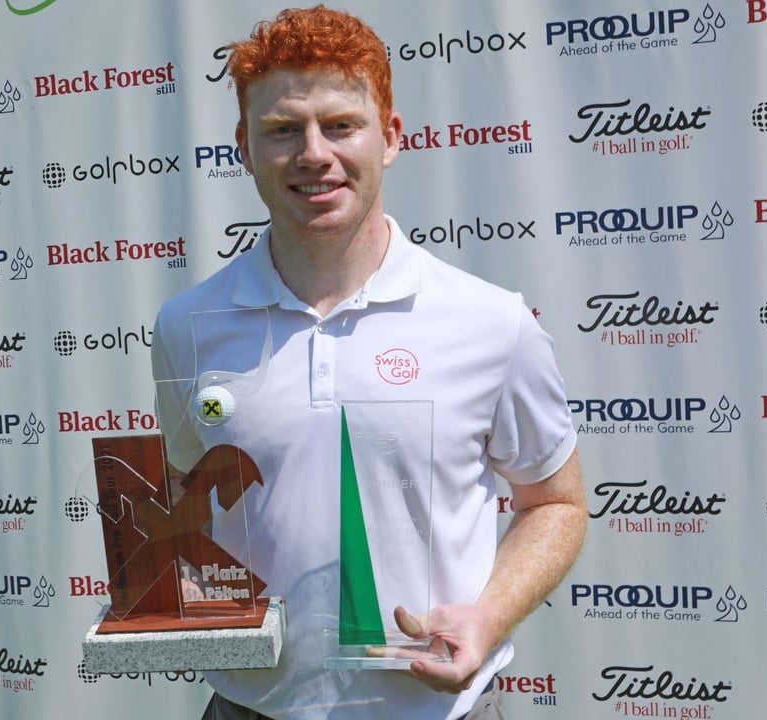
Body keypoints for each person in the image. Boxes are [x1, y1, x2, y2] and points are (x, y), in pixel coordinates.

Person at [151, 6, 587, 719]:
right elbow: (182, 496)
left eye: (341, 125)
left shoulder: (491, 321)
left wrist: (488, 616)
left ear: (390, 137)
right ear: (244, 147)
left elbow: (556, 503)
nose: (313, 153)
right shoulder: (185, 325)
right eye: (283, 129)